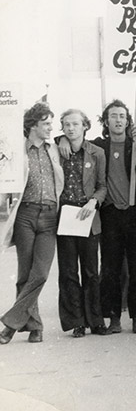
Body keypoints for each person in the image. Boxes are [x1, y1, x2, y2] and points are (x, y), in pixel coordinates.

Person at [0, 103, 64, 344]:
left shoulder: (55, 148)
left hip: (49, 216)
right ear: (33, 125)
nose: (50, 128)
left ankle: (10, 325)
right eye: (46, 123)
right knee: (24, 273)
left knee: (41, 273)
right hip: (25, 214)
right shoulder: (18, 150)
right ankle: (35, 326)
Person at [91, 100, 136, 334]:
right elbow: (64, 140)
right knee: (110, 268)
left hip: (134, 212)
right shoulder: (98, 146)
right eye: (113, 116)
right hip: (110, 212)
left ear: (128, 120)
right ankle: (113, 317)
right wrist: (62, 139)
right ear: (106, 121)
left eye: (122, 116)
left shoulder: (135, 146)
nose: (118, 120)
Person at [55, 109, 108, 337]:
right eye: (66, 125)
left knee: (90, 271)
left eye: (75, 124)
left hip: (87, 216)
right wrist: (60, 140)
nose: (71, 128)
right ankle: (76, 321)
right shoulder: (57, 150)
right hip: (65, 215)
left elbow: (102, 185)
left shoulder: (96, 153)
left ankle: (95, 320)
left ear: (85, 126)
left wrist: (94, 202)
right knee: (68, 271)